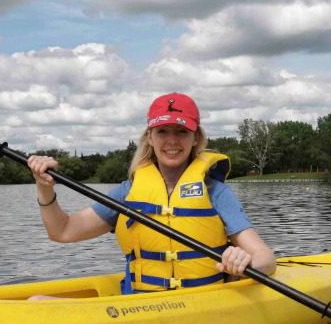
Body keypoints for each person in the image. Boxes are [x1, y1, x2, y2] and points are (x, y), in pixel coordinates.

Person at [27, 92, 276, 294]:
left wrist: (243, 262)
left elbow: (265, 258)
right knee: (39, 301)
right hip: (143, 305)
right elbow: (63, 231)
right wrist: (44, 186)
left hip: (203, 302)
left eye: (181, 131)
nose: (172, 141)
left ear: (195, 138)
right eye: (162, 131)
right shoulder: (128, 193)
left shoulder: (215, 192)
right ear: (150, 137)